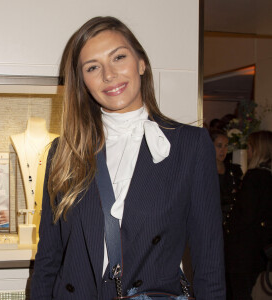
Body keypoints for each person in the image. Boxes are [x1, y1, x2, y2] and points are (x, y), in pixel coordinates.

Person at [30, 16, 226, 299]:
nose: (108, 75)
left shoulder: (190, 146)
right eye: (93, 67)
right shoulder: (64, 152)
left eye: (118, 57)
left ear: (141, 63)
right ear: (83, 82)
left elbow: (209, 261)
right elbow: (49, 257)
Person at [224, 130, 272, 300]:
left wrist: (228, 229)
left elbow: (245, 215)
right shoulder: (267, 177)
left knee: (239, 293)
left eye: (250, 148)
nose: (248, 152)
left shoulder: (254, 177)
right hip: (256, 251)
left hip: (242, 252)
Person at [209, 130, 242, 227]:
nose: (223, 150)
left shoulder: (234, 170)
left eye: (226, 146)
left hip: (232, 222)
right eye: (219, 146)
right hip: (212, 221)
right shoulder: (204, 171)